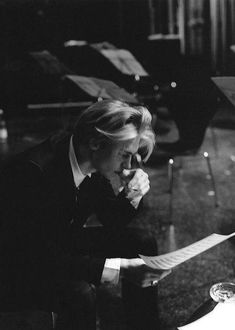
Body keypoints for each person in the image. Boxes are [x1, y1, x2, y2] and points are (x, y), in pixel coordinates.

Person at [0, 100, 170, 330]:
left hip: (58, 241)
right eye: (124, 154)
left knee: (141, 242)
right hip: (18, 266)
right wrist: (116, 268)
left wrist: (133, 194)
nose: (128, 165)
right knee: (78, 293)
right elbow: (39, 258)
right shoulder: (33, 172)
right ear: (96, 143)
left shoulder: (92, 161)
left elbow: (112, 220)